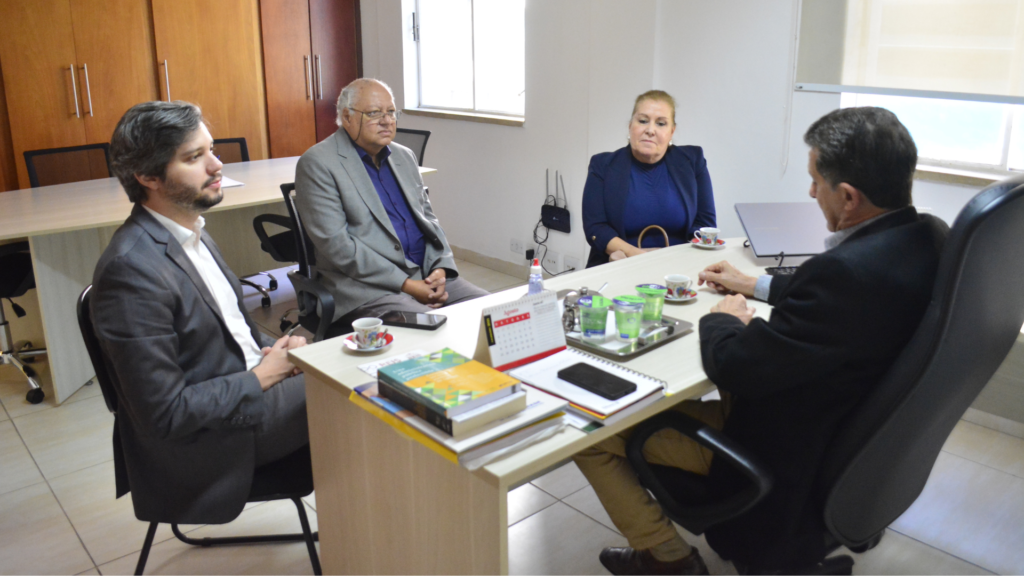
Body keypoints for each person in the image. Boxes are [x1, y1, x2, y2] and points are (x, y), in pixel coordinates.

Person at [574, 107, 949, 574]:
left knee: (588, 427)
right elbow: (846, 295)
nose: (811, 192)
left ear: (849, 197)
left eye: (816, 181)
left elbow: (732, 366)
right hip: (844, 436)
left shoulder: (842, 274)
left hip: (774, 453)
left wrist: (723, 318)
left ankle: (667, 559)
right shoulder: (926, 239)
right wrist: (756, 286)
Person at [91, 101, 310, 524]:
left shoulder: (189, 231)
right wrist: (264, 375)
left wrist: (276, 349)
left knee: (355, 364)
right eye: (194, 157)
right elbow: (165, 414)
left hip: (242, 393)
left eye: (212, 150)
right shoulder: (130, 272)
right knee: (364, 388)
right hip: (217, 438)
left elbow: (235, 332)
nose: (217, 165)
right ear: (148, 177)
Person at [294, 78, 488, 337]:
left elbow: (428, 220)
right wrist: (407, 285)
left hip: (425, 275)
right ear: (347, 117)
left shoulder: (403, 156)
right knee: (435, 331)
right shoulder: (318, 163)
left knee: (496, 314)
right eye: (374, 113)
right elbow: (339, 247)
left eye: (391, 112)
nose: (387, 121)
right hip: (366, 289)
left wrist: (440, 268)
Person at [582, 90, 716, 268]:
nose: (650, 130)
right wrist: (639, 257)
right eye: (643, 121)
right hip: (620, 266)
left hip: (680, 268)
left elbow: (705, 225)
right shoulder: (602, 165)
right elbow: (596, 227)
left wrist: (676, 259)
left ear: (671, 131)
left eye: (661, 123)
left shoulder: (693, 161)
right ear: (630, 126)